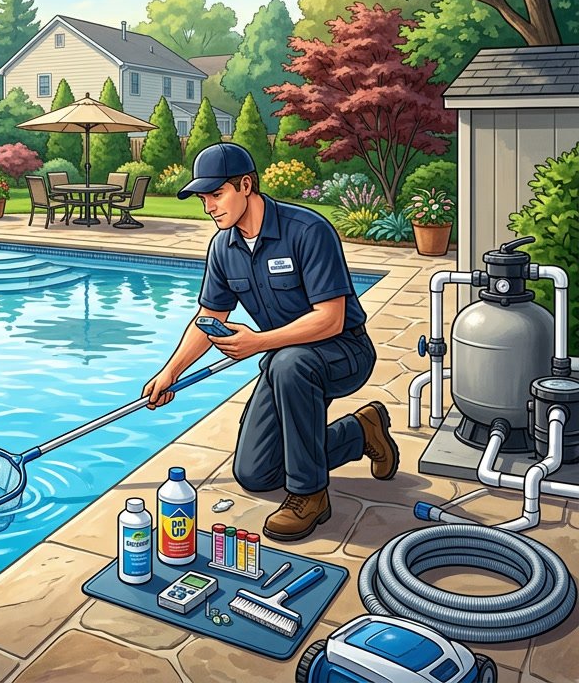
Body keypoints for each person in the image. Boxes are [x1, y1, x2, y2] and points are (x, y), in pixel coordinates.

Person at [142, 143, 399, 541]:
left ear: (246, 185)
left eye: (216, 194)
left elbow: (330, 319)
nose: (208, 206)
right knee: (255, 474)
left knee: (288, 364)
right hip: (284, 360)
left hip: (343, 352)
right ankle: (360, 432)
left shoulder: (308, 231)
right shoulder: (223, 248)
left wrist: (260, 342)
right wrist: (169, 373)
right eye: (202, 198)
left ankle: (310, 495)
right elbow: (209, 319)